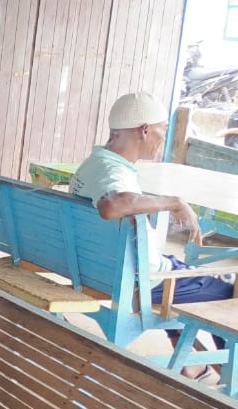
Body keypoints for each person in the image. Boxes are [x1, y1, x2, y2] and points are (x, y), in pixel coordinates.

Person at [70, 92, 233, 370]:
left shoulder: (93, 165)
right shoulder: (115, 174)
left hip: (97, 271)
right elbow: (111, 205)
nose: (163, 137)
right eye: (163, 130)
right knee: (230, 291)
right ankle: (227, 373)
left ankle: (198, 366)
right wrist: (173, 202)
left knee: (180, 270)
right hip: (138, 284)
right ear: (144, 130)